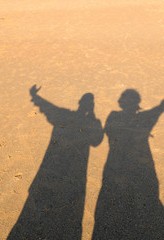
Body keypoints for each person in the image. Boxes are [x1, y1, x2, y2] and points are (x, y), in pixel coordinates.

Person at [8, 85, 103, 240]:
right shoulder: (92, 120)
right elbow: (97, 141)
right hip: (77, 171)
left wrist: (35, 97)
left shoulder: (64, 115)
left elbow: (48, 108)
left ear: (79, 103)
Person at [92, 80, 164, 240]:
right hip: (143, 167)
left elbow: (104, 133)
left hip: (114, 167)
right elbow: (161, 107)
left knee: (114, 202)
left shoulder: (113, 116)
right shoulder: (145, 118)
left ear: (121, 102)